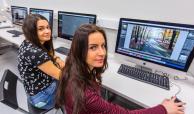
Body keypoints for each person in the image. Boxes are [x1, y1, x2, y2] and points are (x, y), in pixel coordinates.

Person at [55, 24, 185, 114]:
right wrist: (163, 108)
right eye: (93, 47)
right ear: (79, 50)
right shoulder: (86, 95)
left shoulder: (73, 69)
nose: (102, 53)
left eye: (103, 46)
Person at [18, 14, 65, 110]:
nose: (47, 31)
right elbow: (62, 76)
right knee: (77, 90)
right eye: (41, 29)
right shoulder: (36, 53)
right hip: (42, 99)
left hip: (34, 90)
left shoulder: (28, 42)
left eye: (48, 27)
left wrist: (57, 59)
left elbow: (50, 54)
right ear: (31, 31)